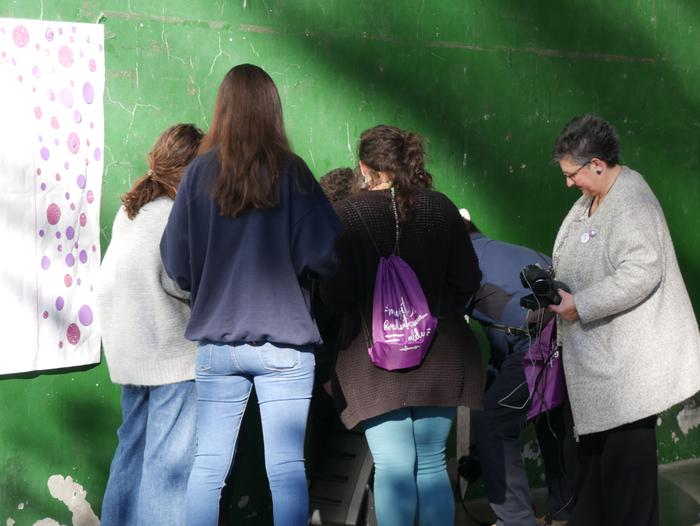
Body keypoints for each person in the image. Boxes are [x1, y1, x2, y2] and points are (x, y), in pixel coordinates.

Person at [160, 64, 339, 526]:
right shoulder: (293, 173)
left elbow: (175, 265)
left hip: (217, 345)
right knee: (286, 469)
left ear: (222, 108)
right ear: (272, 110)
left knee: (208, 468)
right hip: (285, 344)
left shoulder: (198, 174)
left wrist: (210, 282)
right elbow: (327, 254)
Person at [321, 125, 483, 526]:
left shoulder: (345, 215)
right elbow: (467, 280)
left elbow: (335, 295)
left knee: (393, 466)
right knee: (431, 464)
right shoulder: (441, 207)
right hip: (440, 353)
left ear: (364, 167)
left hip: (373, 361)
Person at [549, 114, 700, 526]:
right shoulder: (593, 197)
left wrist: (580, 304)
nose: (569, 184)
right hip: (598, 366)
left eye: (572, 174)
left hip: (627, 374)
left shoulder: (632, 200)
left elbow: (642, 270)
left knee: (628, 486)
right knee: (595, 479)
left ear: (597, 164)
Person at [97, 123, 204, 526]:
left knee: (131, 450)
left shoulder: (133, 209)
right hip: (170, 354)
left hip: (129, 352)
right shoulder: (177, 215)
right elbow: (182, 281)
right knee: (169, 465)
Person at [462, 211, 571, 526]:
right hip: (568, 341)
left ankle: (517, 520)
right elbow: (502, 345)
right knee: (550, 419)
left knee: (491, 423)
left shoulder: (463, 263)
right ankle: (565, 512)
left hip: (539, 345)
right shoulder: (511, 251)